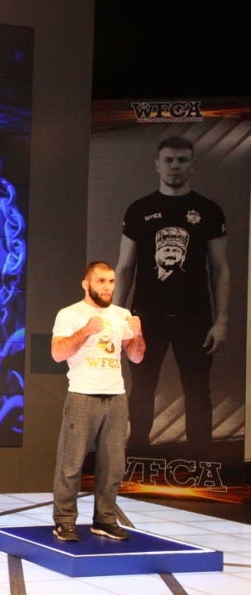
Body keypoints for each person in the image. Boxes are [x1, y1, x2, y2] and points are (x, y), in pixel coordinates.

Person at [114, 135, 229, 452]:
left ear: (192, 166)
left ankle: (200, 459)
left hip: (195, 317)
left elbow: (220, 269)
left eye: (181, 160)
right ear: (157, 165)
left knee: (197, 390)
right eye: (168, 160)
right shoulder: (139, 210)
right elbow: (125, 267)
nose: (174, 165)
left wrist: (221, 321)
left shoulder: (209, 211)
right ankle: (137, 454)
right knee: (141, 388)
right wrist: (115, 317)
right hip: (145, 317)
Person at [51, 261, 144, 541]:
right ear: (86, 284)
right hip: (83, 395)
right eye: (101, 281)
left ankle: (104, 520)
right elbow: (57, 353)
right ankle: (64, 521)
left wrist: (137, 334)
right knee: (71, 463)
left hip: (116, 396)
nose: (107, 287)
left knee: (113, 465)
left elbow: (136, 357)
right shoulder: (70, 314)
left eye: (111, 281)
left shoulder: (122, 314)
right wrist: (86, 331)